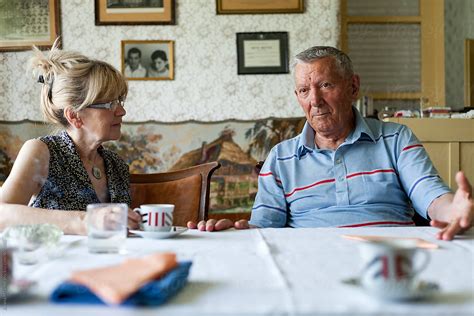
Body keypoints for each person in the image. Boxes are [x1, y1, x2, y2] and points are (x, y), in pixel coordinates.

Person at [188, 46, 473, 241]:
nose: (314, 100)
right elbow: (264, 228)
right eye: (304, 90)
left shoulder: (396, 139)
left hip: (388, 258)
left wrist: (454, 211)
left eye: (325, 85)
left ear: (353, 87)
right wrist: (236, 232)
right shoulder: (281, 157)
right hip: (307, 264)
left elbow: (431, 196)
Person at [0, 40, 141, 235]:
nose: (122, 111)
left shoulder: (116, 165)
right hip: (53, 263)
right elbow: (2, 214)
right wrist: (86, 221)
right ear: (74, 115)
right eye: (109, 104)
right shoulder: (42, 152)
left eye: (119, 101)